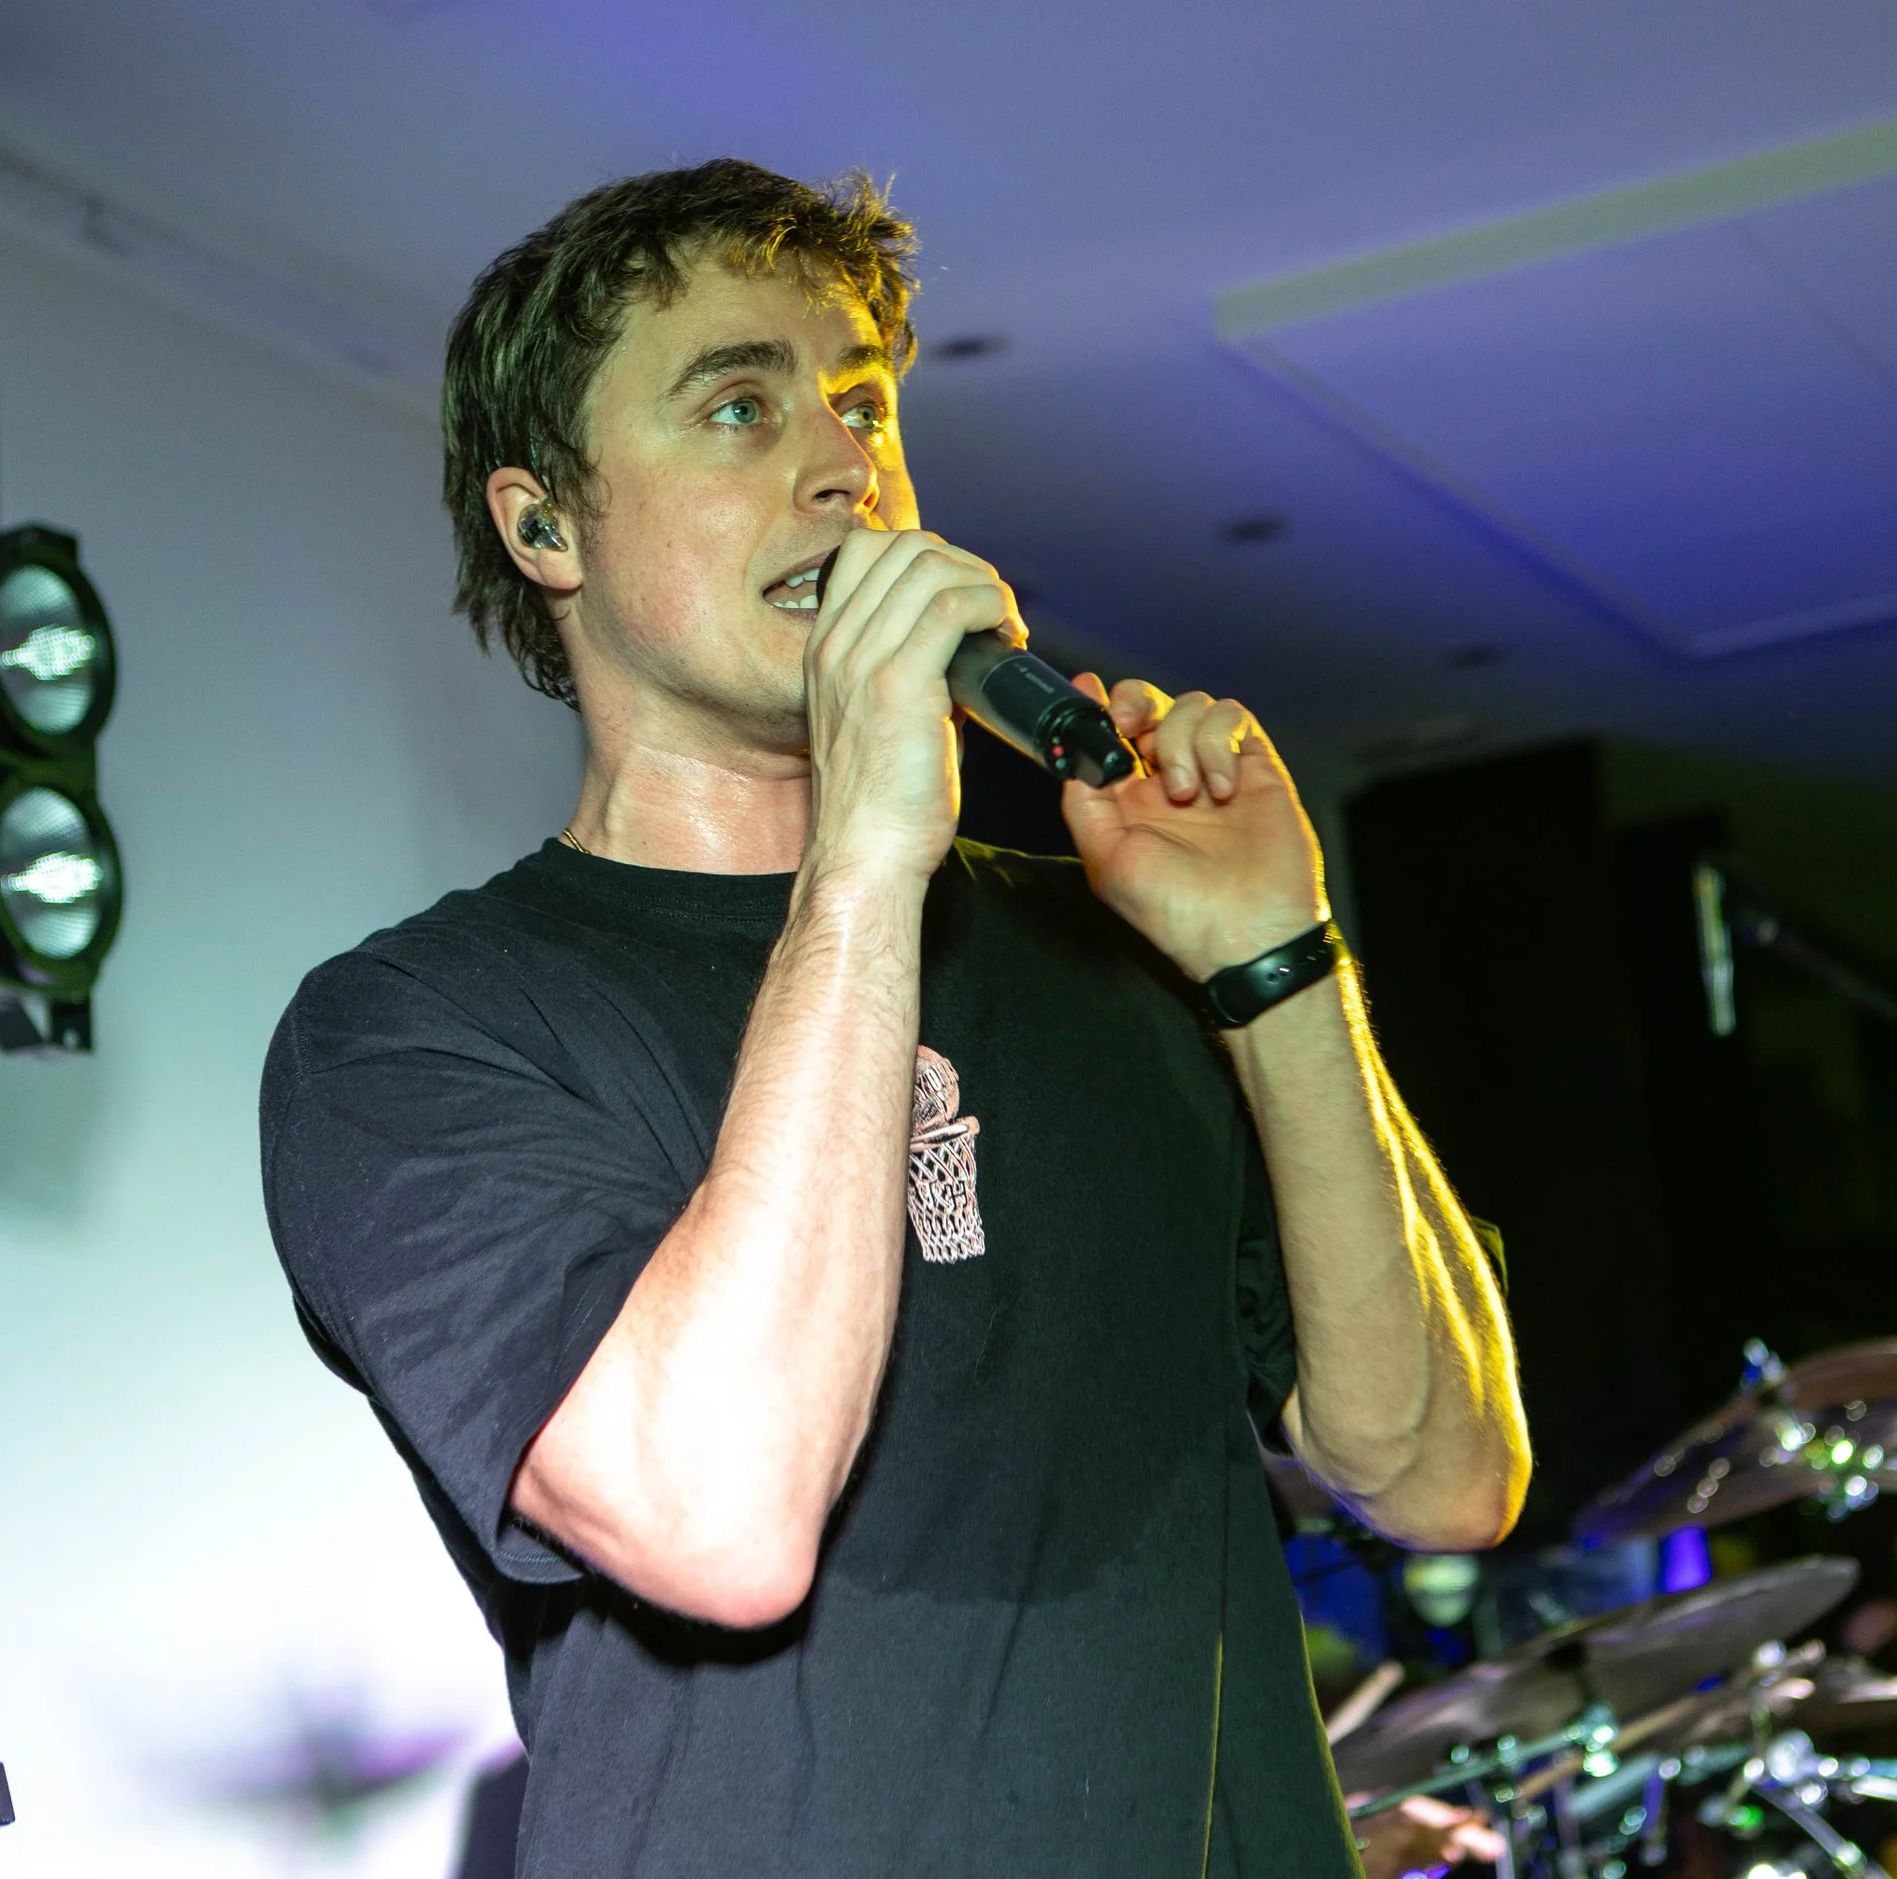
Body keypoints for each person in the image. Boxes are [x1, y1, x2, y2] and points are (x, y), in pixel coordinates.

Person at [261, 159, 1530, 1876]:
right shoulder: (413, 1031)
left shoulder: (1111, 955)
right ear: (544, 525)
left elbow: (1445, 1479)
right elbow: (717, 1519)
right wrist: (864, 852)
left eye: (861, 406)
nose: (843, 464)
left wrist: (1276, 963)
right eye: (738, 406)